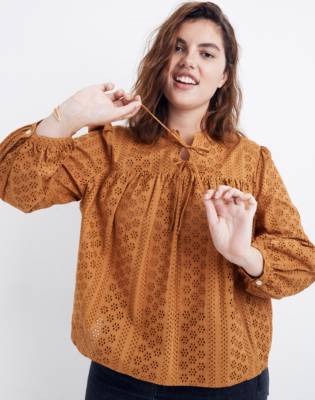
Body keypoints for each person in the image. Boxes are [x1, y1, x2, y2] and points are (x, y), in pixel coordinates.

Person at [1, 1, 314, 399]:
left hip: (228, 380)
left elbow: (301, 260)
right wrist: (69, 115)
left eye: (206, 53)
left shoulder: (251, 160)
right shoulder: (109, 149)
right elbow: (15, 184)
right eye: (177, 47)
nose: (188, 62)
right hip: (121, 378)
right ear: (160, 59)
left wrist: (245, 255)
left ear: (224, 75)